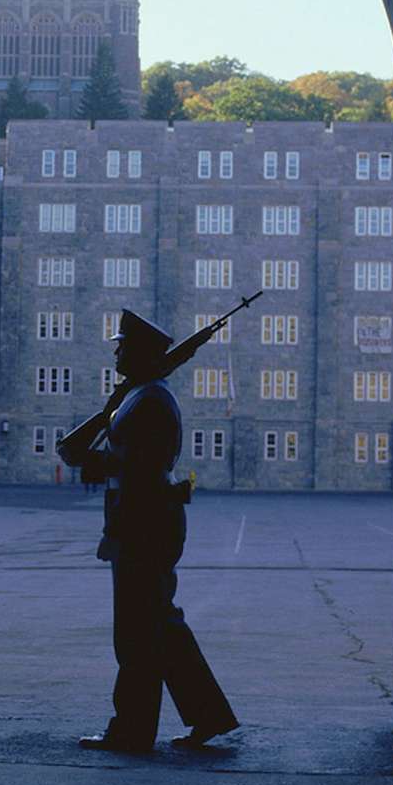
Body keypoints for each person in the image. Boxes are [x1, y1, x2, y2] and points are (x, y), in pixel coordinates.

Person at [76, 309, 239, 754]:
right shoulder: (139, 395)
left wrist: (100, 466)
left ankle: (132, 729)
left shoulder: (149, 400)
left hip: (142, 524)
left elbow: (144, 468)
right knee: (159, 628)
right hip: (140, 522)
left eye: (123, 345)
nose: (116, 350)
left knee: (136, 633)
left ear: (144, 354)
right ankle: (207, 716)